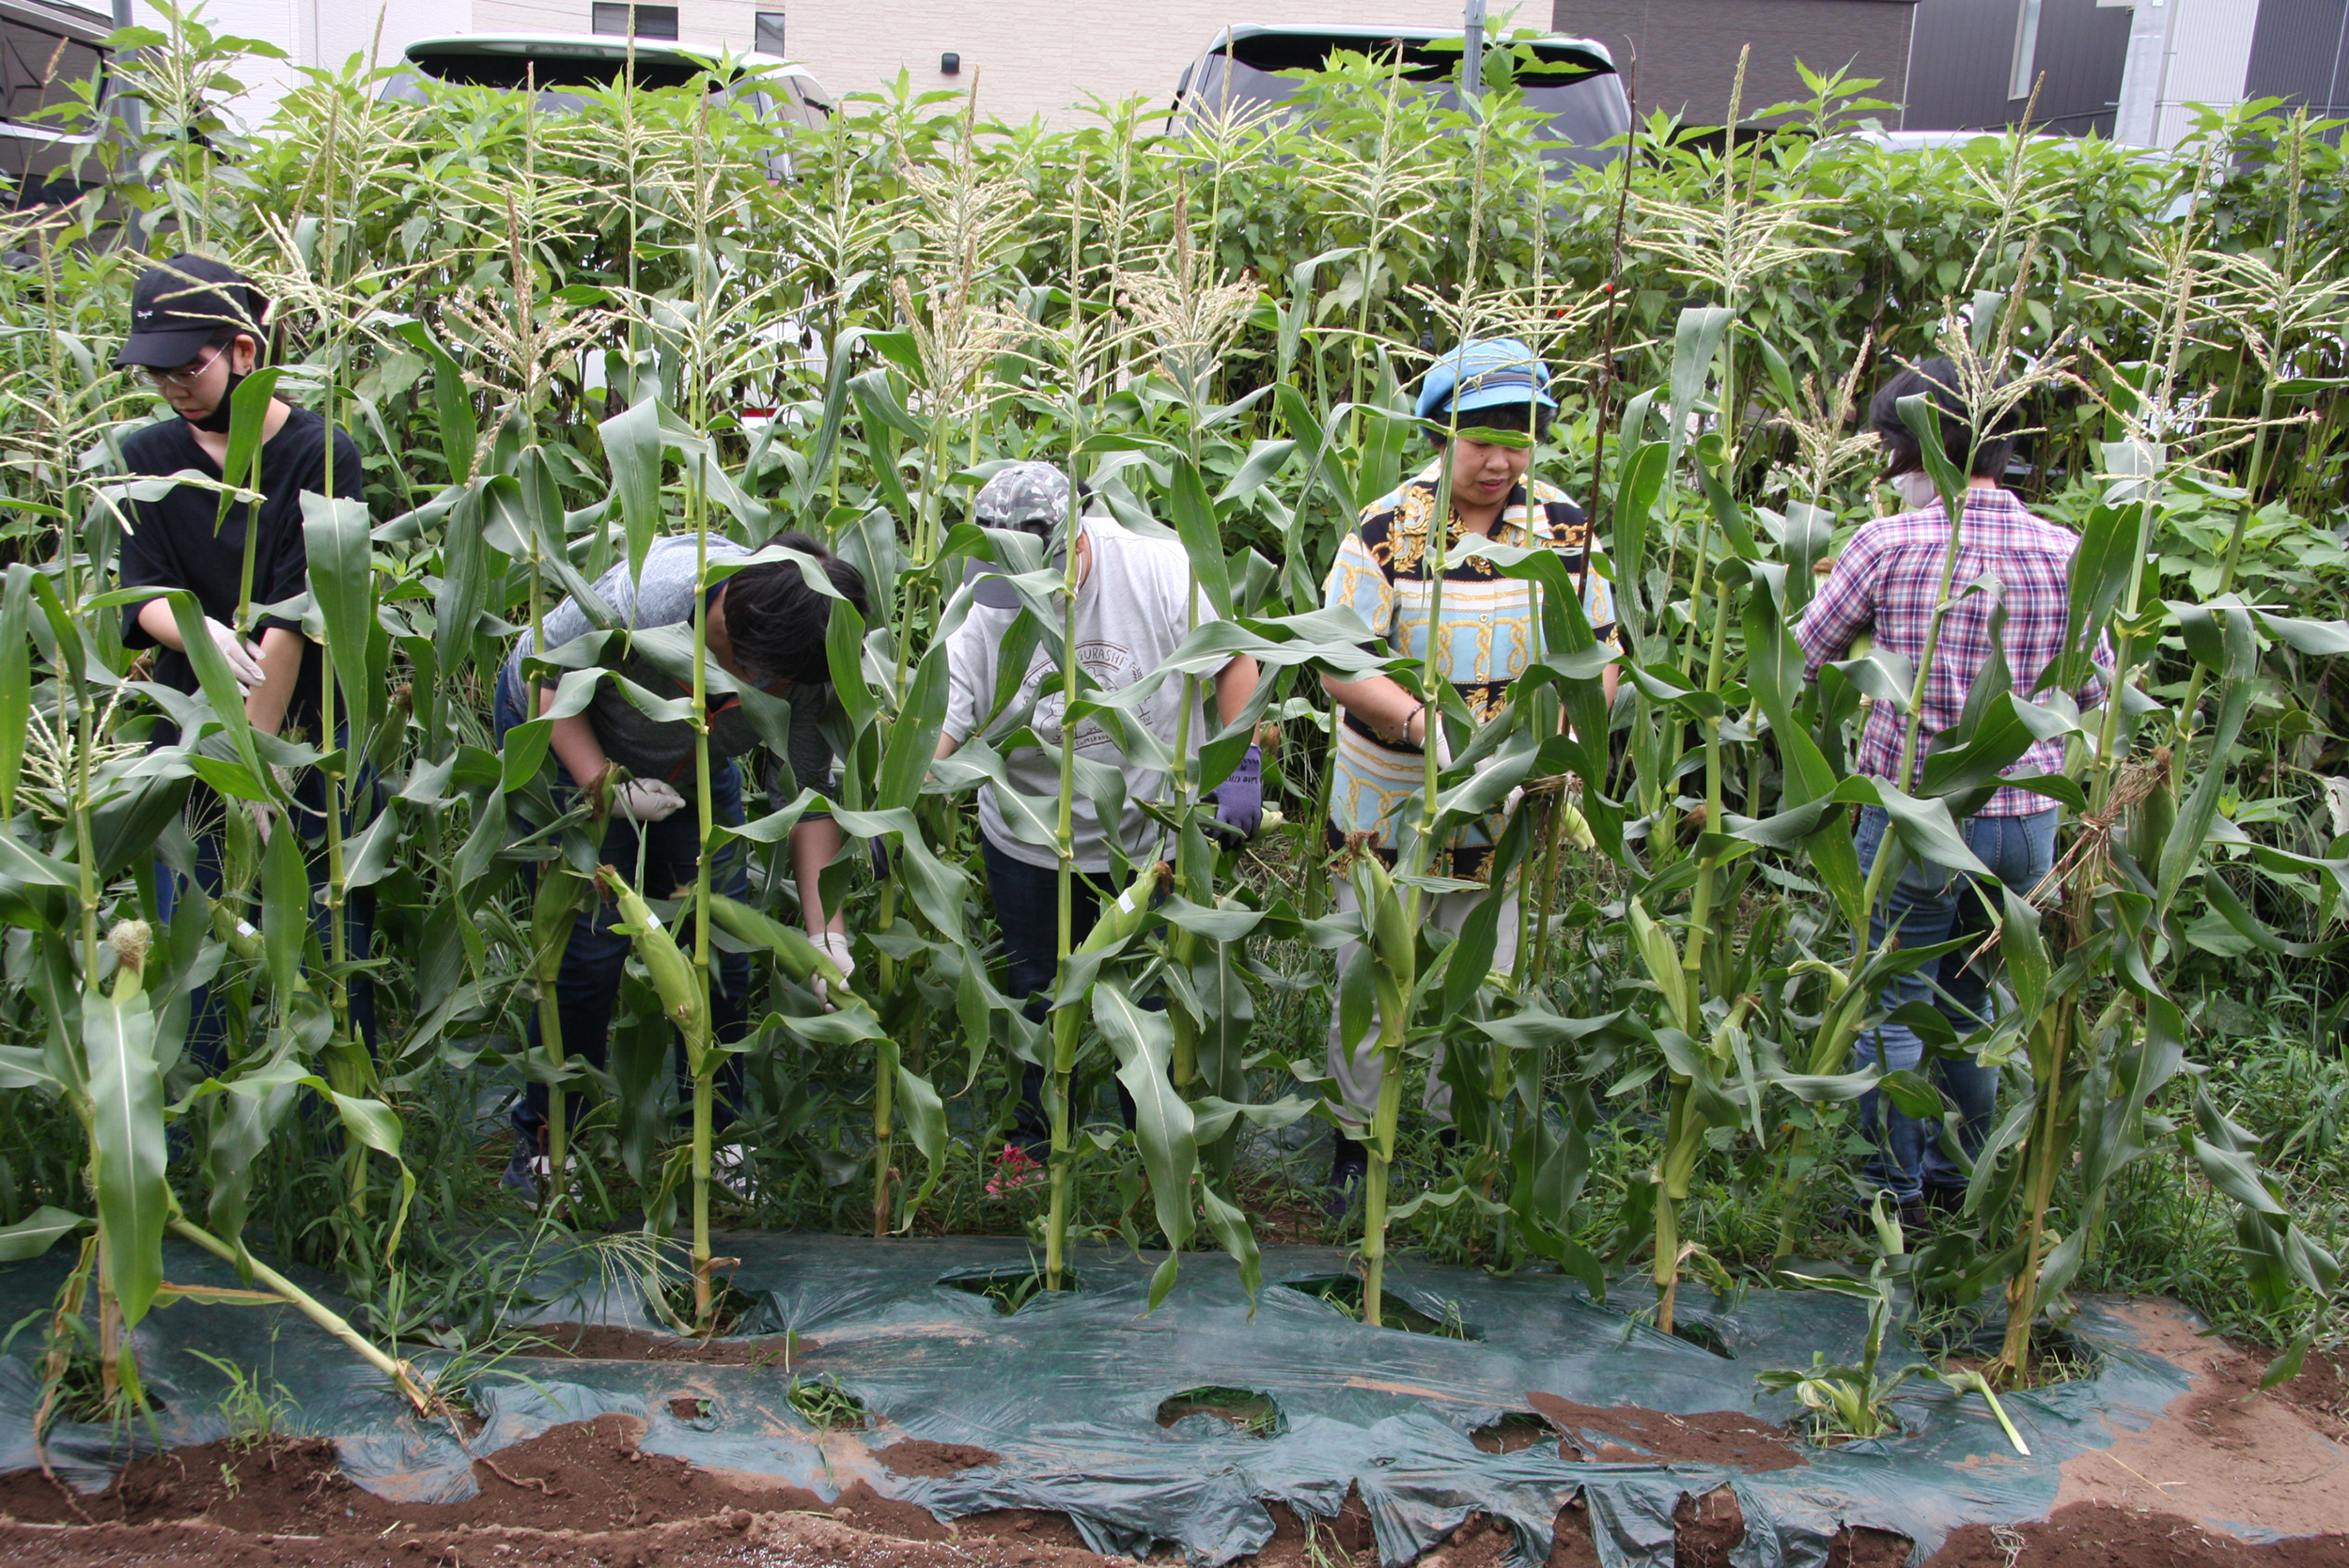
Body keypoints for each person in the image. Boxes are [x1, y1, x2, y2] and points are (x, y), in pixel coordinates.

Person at [1794, 358, 2108, 1228]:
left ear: (1910, 449)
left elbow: (1801, 655)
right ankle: (1959, 1179)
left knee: (1895, 1001)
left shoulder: (1891, 544)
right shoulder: (2067, 549)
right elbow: (2095, 691)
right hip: (2026, 827)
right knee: (1973, 1004)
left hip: (1916, 820)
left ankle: (1888, 1193)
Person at [1317, 337, 1620, 1212]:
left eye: (1518, 439)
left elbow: (1598, 655)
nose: (1499, 460)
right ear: (1441, 433)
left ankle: (1446, 1138)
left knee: (1474, 972)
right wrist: (1420, 720)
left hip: (1505, 813)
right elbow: (1340, 662)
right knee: (1373, 974)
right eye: (1481, 437)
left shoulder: (1564, 530)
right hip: (1390, 809)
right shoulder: (1386, 529)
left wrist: (1558, 737)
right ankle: (1356, 1139)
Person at [493, 530, 867, 1202]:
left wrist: (824, 935)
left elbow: (810, 800)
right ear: (741, 642)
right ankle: (546, 1145)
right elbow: (543, 682)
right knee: (585, 953)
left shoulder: (807, 649)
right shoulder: (653, 598)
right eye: (768, 679)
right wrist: (605, 785)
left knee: (719, 944)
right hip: (561, 732)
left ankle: (716, 1133)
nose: (773, 691)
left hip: (691, 763)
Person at [934, 462, 1262, 1162]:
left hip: (1143, 840)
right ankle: (1035, 1141)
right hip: (1026, 832)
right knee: (1034, 994)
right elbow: (941, 725)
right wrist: (897, 800)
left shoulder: (1157, 564)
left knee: (1141, 1003)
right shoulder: (980, 603)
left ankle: (1147, 1153)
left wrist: (1240, 765)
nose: (1025, 592)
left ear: (1078, 539)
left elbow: (1233, 663)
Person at [114, 253, 374, 1068]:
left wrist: (253, 761)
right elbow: (139, 588)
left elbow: (302, 616)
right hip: (192, 741)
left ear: (244, 352)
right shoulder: (147, 455)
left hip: (304, 742)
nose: (172, 387)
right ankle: (193, 1148)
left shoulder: (320, 454)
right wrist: (188, 624)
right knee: (189, 957)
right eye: (154, 373)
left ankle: (337, 1145)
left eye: (188, 366)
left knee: (330, 953)